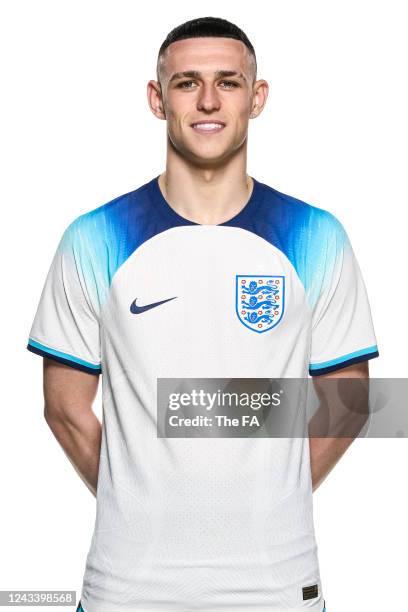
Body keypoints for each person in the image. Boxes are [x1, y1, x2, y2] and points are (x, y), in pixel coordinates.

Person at [27, 16, 379, 612]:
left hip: (277, 588)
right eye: (187, 83)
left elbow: (349, 400)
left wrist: (272, 490)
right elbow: (64, 409)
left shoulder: (317, 235)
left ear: (257, 97)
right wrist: (132, 495)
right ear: (156, 98)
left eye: (229, 82)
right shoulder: (93, 238)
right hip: (127, 588)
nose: (209, 101)